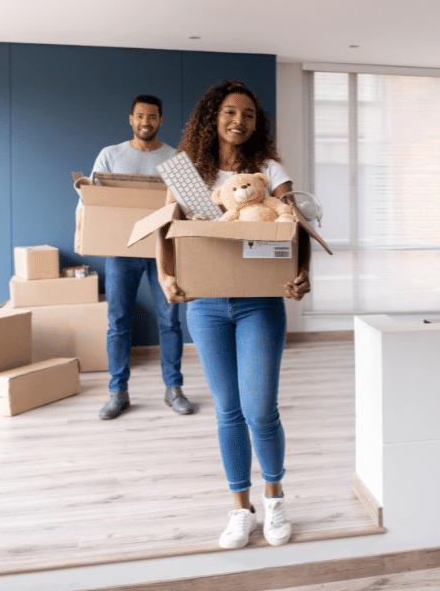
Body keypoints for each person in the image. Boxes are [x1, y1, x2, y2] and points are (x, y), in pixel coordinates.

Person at [157, 81, 310, 549]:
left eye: (247, 114)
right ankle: (240, 508)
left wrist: (303, 273)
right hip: (205, 306)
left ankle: (275, 498)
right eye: (229, 112)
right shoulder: (190, 174)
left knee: (260, 409)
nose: (238, 121)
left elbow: (297, 225)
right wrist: (166, 277)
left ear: (255, 122)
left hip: (260, 303)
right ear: (213, 117)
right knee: (228, 411)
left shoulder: (269, 170)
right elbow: (165, 229)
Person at [80, 94, 195, 420]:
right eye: (141, 116)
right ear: (131, 119)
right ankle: (118, 393)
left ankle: (174, 390)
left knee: (170, 321)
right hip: (122, 250)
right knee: (117, 323)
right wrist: (82, 232)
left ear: (160, 120)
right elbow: (90, 200)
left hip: (164, 250)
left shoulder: (175, 159)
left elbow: (190, 207)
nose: (147, 122)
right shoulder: (110, 155)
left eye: (153, 116)